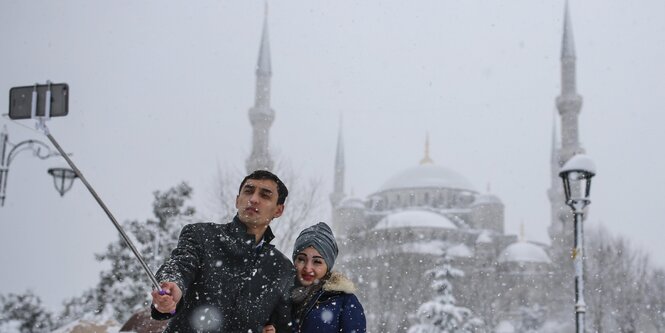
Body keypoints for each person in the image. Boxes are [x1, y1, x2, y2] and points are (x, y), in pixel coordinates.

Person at [151, 170, 295, 333]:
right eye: (248, 191)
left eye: (265, 195)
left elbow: (284, 324)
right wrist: (172, 286)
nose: (253, 199)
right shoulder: (201, 236)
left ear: (278, 210)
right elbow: (178, 265)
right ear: (237, 200)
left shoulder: (282, 268)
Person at [289, 222, 366, 333]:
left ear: (328, 266)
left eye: (317, 262)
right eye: (301, 259)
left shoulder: (344, 302)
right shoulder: (279, 295)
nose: (308, 268)